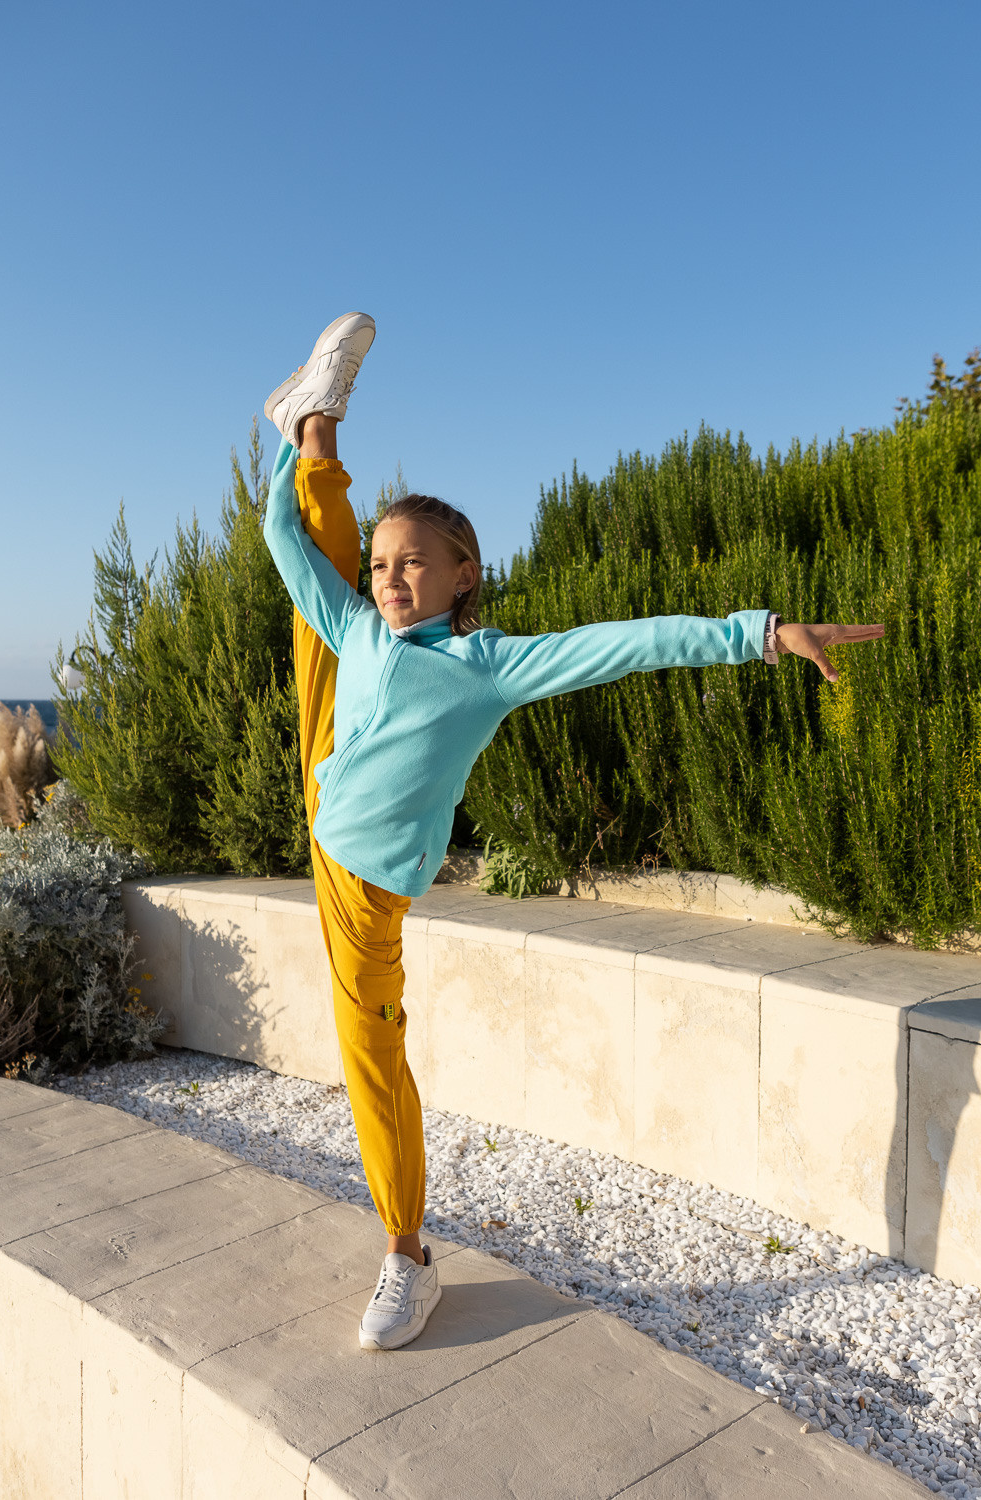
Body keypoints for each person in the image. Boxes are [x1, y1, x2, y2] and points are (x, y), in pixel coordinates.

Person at [262, 312, 885, 1352]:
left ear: (465, 575)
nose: (390, 578)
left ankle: (310, 426)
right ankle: (315, 425)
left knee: (372, 1050)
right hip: (329, 772)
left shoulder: (489, 667)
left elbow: (622, 647)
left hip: (362, 875)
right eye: (380, 563)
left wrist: (761, 633)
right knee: (315, 611)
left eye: (413, 562)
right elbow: (288, 547)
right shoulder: (360, 627)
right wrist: (292, 466)